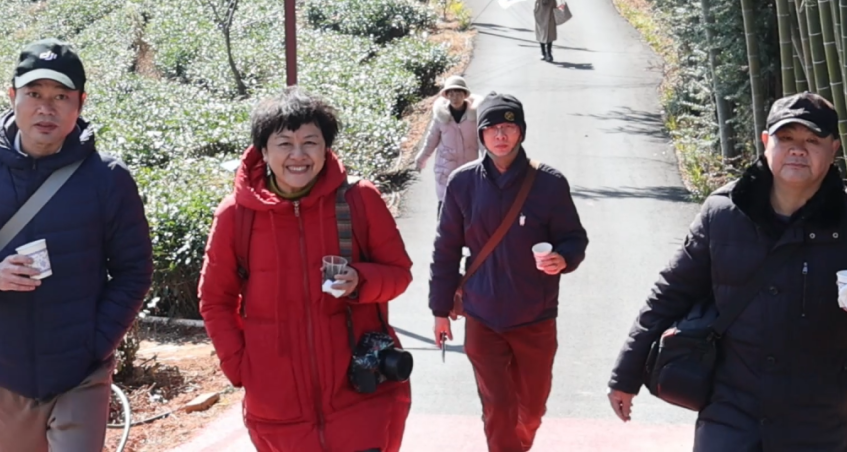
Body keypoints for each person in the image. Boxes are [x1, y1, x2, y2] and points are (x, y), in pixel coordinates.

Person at [607, 93, 847, 452]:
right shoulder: (724, 213)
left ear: (834, 148)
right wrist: (625, 375)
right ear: (766, 141)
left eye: (812, 140)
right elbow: (669, 294)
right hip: (730, 415)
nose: (798, 150)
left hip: (816, 424)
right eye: (786, 138)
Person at [0, 38, 154, 451]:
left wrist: (96, 343)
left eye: (61, 96)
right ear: (12, 96)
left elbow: (134, 270)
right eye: (34, 94)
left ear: (80, 103)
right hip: (3, 369)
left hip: (80, 370)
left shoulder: (108, 178)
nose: (47, 108)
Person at [198, 87, 413, 452]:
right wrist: (242, 367)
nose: (298, 155)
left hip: (361, 396)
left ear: (326, 148)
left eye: (310, 142)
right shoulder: (236, 215)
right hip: (279, 409)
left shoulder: (359, 199)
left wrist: (361, 280)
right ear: (263, 150)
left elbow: (398, 273)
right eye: (284, 144)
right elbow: (215, 300)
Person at [429, 92, 588, 452]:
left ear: (521, 132)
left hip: (535, 316)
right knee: (498, 408)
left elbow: (574, 238)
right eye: (492, 128)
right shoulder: (462, 183)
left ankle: (521, 440)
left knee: (531, 410)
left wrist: (563, 258)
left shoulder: (549, 183)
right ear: (481, 134)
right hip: (482, 315)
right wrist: (440, 310)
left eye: (508, 127)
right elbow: (445, 250)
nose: (500, 135)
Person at [415, 76, 481, 216]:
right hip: (446, 169)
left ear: (465, 95)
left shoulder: (475, 117)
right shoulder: (440, 117)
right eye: (451, 93)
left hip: (469, 168)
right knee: (445, 208)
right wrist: (421, 160)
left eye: (458, 93)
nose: (454, 97)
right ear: (446, 95)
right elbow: (431, 140)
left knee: (469, 207)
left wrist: (491, 163)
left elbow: (483, 142)